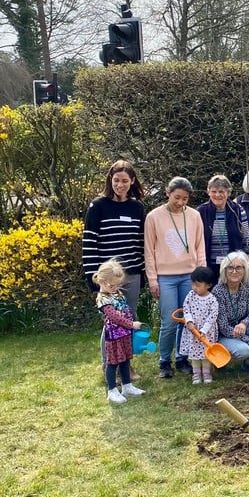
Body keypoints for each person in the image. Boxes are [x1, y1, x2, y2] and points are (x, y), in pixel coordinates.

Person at [83, 160, 146, 381]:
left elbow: (140, 242)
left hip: (131, 274)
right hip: (108, 277)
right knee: (112, 321)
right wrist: (93, 275)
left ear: (132, 182)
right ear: (111, 180)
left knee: (129, 318)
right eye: (116, 180)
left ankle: (126, 367)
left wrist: (143, 272)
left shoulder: (137, 207)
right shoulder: (98, 206)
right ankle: (108, 365)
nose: (120, 184)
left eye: (125, 181)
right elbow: (90, 241)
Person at [145, 176, 206, 378]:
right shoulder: (154, 217)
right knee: (169, 322)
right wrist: (153, 280)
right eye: (177, 197)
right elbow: (149, 250)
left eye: (185, 199)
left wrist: (201, 275)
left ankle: (182, 358)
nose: (180, 202)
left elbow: (199, 246)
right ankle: (164, 361)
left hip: (189, 276)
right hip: (166, 277)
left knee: (187, 320)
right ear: (167, 193)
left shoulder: (195, 216)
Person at [93, 259, 146, 404]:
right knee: (113, 362)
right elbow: (114, 317)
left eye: (118, 284)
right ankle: (112, 391)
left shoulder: (117, 293)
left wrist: (130, 323)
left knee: (125, 360)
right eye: (112, 285)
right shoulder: (102, 299)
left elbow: (125, 308)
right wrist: (131, 324)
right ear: (102, 281)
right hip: (114, 336)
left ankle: (127, 386)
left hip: (124, 334)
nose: (116, 287)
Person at [213, 251, 249, 368]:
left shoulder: (248, 285)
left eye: (239, 267)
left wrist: (244, 324)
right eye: (230, 268)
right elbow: (223, 327)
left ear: (245, 270)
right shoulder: (218, 291)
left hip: (242, 329)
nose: (234, 271)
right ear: (224, 270)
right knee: (243, 350)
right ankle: (223, 363)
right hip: (224, 335)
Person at [197, 175, 249, 282]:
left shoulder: (237, 210)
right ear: (208, 192)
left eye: (221, 191)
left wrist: (247, 255)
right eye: (214, 191)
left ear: (228, 193)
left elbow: (246, 236)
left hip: (232, 266)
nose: (217, 195)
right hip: (208, 264)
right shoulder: (201, 211)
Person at [178, 266, 219, 384]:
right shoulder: (191, 295)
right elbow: (186, 309)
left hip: (206, 333)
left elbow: (212, 317)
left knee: (206, 353)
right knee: (194, 353)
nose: (194, 288)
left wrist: (204, 330)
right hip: (192, 331)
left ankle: (206, 374)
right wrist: (189, 321)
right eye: (193, 284)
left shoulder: (212, 300)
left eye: (198, 285)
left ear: (208, 285)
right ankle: (196, 374)